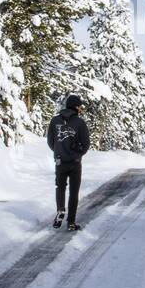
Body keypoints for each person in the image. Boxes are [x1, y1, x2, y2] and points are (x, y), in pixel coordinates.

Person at [46, 94, 90, 231]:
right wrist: (77, 154)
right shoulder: (80, 123)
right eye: (80, 106)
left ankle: (60, 209)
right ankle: (71, 222)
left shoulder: (54, 121)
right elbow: (86, 144)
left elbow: (50, 141)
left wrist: (59, 151)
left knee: (60, 187)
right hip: (75, 163)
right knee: (73, 192)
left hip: (60, 161)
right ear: (76, 107)